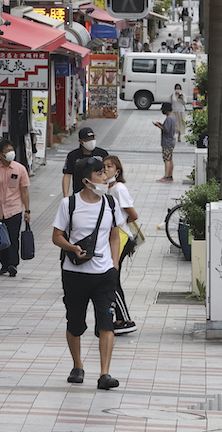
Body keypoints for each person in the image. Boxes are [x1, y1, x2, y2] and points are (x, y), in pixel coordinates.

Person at [53, 156, 129, 390]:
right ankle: (77, 365)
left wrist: (114, 266)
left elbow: (114, 237)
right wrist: (72, 248)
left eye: (105, 173)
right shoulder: (69, 205)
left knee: (106, 322)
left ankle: (105, 373)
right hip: (74, 273)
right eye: (100, 173)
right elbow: (57, 236)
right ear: (87, 180)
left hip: (104, 273)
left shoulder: (110, 204)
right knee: (75, 322)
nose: (105, 177)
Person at [104, 156, 140, 335]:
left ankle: (125, 319)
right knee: (112, 278)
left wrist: (122, 221)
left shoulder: (118, 189)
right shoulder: (108, 188)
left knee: (112, 278)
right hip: (115, 235)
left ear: (117, 170)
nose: (106, 170)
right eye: (103, 167)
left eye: (110, 166)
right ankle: (120, 319)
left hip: (122, 236)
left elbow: (133, 215)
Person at [0, 139, 31, 277]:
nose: (11, 153)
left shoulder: (20, 169)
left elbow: (24, 190)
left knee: (13, 237)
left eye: (11, 150)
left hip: (15, 209)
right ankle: (4, 264)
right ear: (0, 154)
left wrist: (27, 210)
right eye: (7, 151)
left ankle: (13, 264)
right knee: (1, 238)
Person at [63, 127, 109, 197]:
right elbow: (67, 175)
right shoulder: (73, 155)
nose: (91, 141)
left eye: (92, 138)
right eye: (88, 140)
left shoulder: (102, 154)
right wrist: (65, 195)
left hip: (99, 192)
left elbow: (108, 172)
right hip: (79, 192)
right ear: (81, 141)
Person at [153, 103, 177, 182]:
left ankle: (166, 176)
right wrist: (161, 125)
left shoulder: (168, 118)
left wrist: (158, 126)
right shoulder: (173, 117)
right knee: (170, 159)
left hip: (167, 141)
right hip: (172, 141)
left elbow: (166, 129)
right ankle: (170, 175)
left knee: (166, 159)